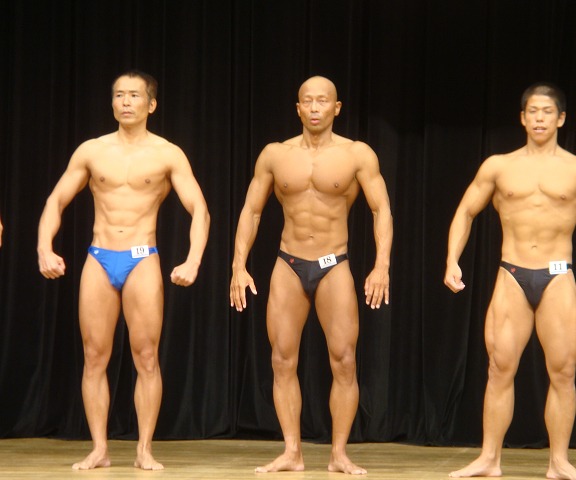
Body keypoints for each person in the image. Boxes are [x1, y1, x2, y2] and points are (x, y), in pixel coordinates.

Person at [444, 83, 576, 480]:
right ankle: (489, 459)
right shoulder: (498, 166)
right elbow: (466, 210)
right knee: (499, 368)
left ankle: (559, 462)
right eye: (533, 111)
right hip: (512, 274)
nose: (540, 118)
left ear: (561, 118)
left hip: (558, 276)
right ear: (523, 118)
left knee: (563, 372)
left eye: (548, 111)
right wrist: (452, 260)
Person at [38, 70, 210, 471]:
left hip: (141, 257)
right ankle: (99, 448)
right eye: (119, 95)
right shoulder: (91, 151)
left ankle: (144, 449)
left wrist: (193, 259)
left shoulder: (168, 154)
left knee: (146, 356)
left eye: (134, 95)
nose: (126, 102)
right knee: (94, 356)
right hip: (99, 257)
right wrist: (44, 248)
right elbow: (56, 200)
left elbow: (199, 209)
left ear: (151, 104)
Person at [230, 76, 392, 475]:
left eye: (323, 101)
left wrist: (382, 265)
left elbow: (381, 210)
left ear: (337, 108)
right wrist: (238, 265)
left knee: (345, 360)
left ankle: (339, 454)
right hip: (288, 263)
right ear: (298, 108)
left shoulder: (357, 154)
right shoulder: (275, 154)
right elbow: (252, 210)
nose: (315, 107)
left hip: (333, 264)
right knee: (282, 359)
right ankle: (292, 452)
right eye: (308, 101)